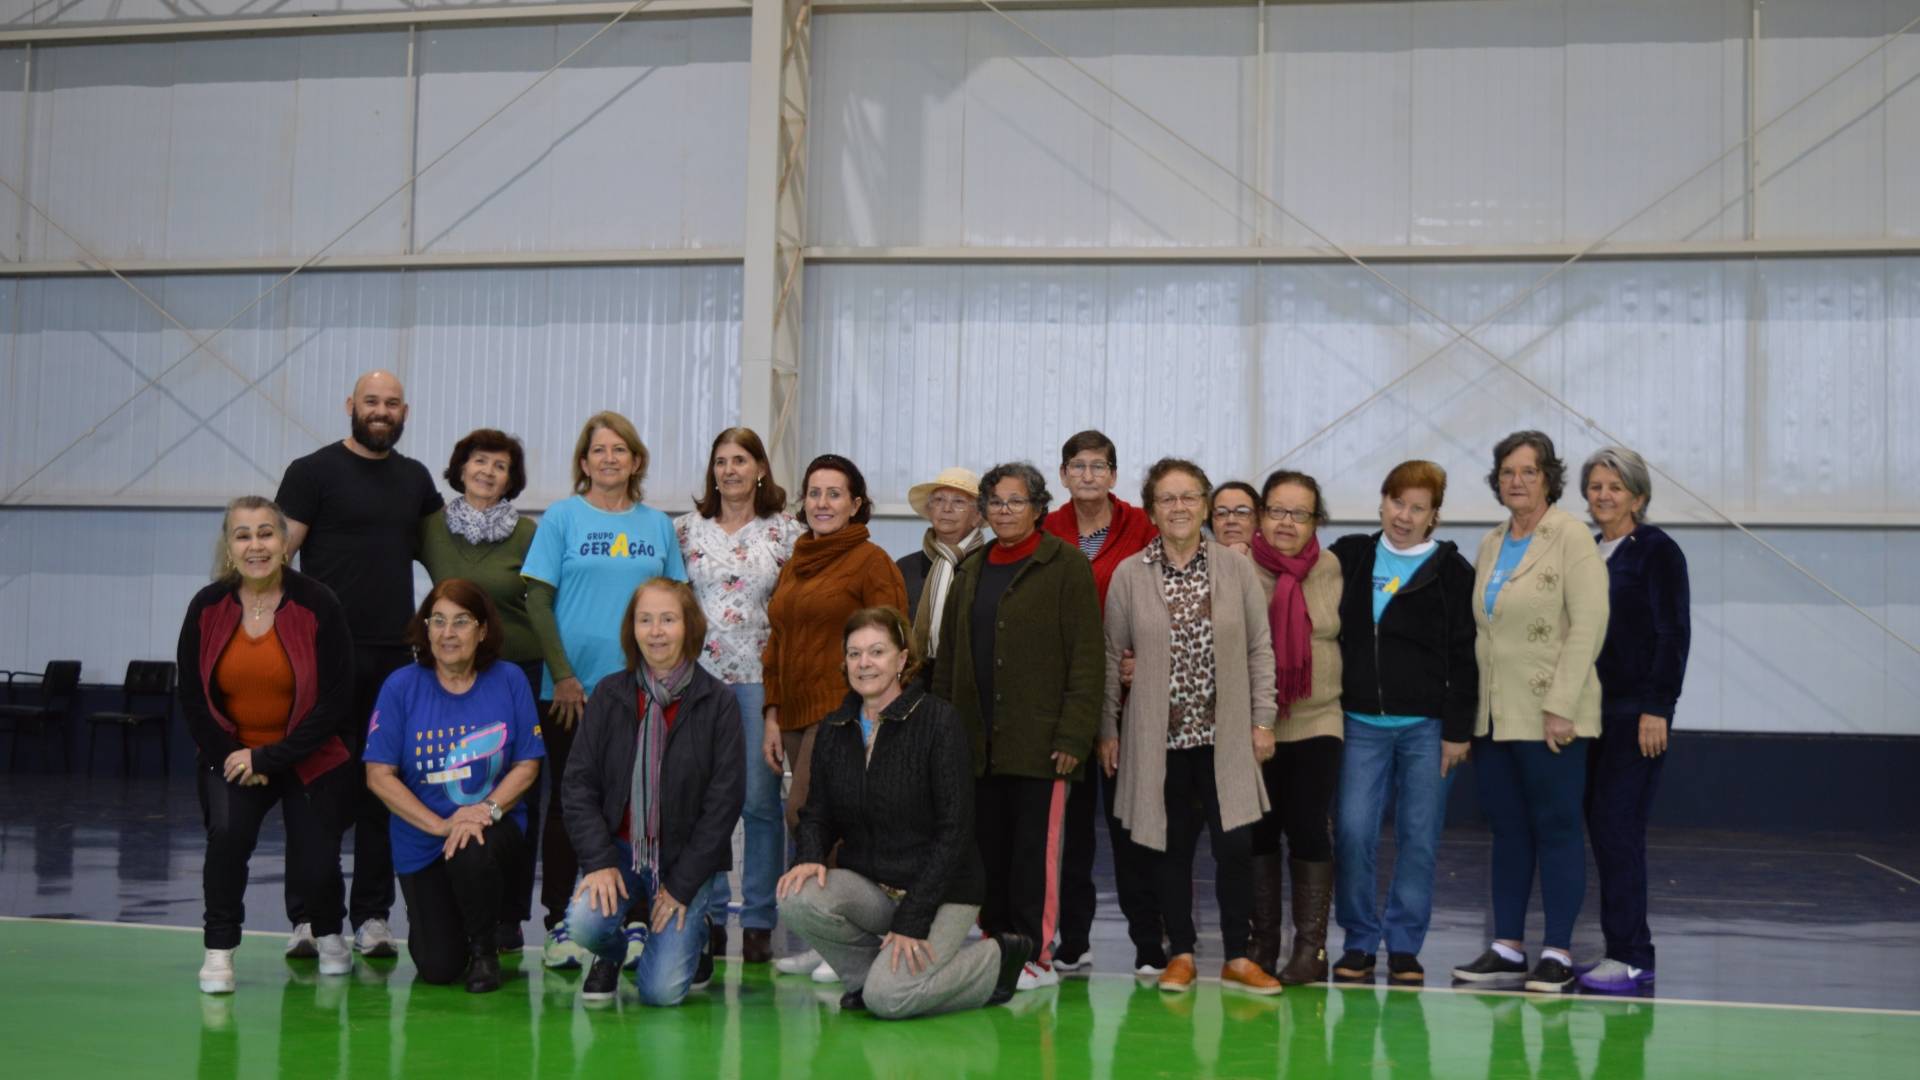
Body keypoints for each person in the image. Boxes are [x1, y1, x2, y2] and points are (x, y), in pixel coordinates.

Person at [777, 607, 1032, 1019]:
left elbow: (955, 832)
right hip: (875, 887)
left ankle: (996, 959)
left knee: (890, 1001)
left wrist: (913, 916)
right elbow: (818, 812)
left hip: (944, 890)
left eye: (877, 651)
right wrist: (808, 857)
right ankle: (868, 980)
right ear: (844, 663)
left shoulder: (938, 722)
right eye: (854, 654)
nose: (865, 663)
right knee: (795, 895)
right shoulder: (834, 728)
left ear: (901, 660)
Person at [275, 370, 443, 959]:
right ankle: (308, 918)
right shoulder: (311, 472)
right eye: (371, 401)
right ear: (350, 405)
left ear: (405, 411)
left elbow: (444, 558)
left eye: (392, 403)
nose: (381, 411)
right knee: (318, 789)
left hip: (395, 660)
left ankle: (372, 916)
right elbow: (276, 555)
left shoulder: (416, 480)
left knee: (382, 787)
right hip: (323, 660)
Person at [1098, 459, 1281, 996]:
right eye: (1166, 499)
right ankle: (1180, 952)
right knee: (1167, 849)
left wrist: (1262, 719)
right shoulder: (1130, 575)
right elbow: (1112, 657)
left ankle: (1238, 958)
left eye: (1188, 497)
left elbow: (1258, 648)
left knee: (1235, 848)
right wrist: (1107, 729)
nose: (1179, 507)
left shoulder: (1235, 568)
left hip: (1224, 738)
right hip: (1159, 741)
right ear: (1152, 510)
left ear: (1203, 505)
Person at [524, 411, 689, 969]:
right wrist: (563, 675)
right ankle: (558, 923)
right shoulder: (561, 519)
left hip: (646, 692)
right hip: (573, 691)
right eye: (599, 450)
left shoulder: (656, 526)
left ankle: (634, 916)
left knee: (642, 806)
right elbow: (537, 602)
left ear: (636, 461)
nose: (610, 459)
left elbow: (679, 606)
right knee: (571, 805)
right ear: (584, 461)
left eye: (620, 450)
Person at [934, 461, 1104, 991]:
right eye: (995, 503)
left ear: (1038, 507)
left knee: (1036, 858)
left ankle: (1037, 955)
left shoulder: (1067, 566)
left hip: (1043, 747)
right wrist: (943, 738)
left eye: (1015, 501)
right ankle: (998, 945)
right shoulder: (972, 568)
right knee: (989, 855)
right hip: (977, 746)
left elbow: (1086, 658)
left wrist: (1074, 734)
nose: (1004, 511)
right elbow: (951, 660)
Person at [1453, 431, 1609, 994]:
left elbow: (1589, 624)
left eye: (1528, 471)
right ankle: (1507, 948)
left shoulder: (1570, 537)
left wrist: (1561, 706)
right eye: (1507, 472)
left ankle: (1559, 952)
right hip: (1496, 717)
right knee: (1509, 832)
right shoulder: (1492, 541)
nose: (1516, 481)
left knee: (1558, 829)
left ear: (1549, 478)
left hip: (1551, 716)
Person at [180, 496, 354, 993]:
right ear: (229, 547)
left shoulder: (319, 602)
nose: (255, 544)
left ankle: (327, 932)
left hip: (310, 756)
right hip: (232, 757)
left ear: (284, 542)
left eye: (265, 533)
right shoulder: (207, 606)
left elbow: (337, 698)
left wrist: (270, 757)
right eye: (243, 535)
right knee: (228, 842)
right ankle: (219, 951)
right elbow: (192, 695)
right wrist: (234, 757)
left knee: (317, 859)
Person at [1326, 462, 1477, 986]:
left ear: (1434, 516)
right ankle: (1359, 940)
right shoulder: (1349, 555)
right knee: (1352, 831)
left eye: (1418, 508)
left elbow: (1466, 656)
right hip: (1359, 724)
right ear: (1382, 502)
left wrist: (1459, 730)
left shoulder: (1453, 573)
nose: (1404, 516)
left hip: (1428, 730)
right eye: (1397, 503)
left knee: (1419, 837)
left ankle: (1406, 945)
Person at [762, 454, 909, 980]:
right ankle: (822, 940)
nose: (822, 504)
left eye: (834, 494)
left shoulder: (871, 561)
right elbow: (777, 642)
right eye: (814, 494)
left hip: (844, 715)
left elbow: (893, 640)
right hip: (798, 716)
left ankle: (851, 942)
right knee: (808, 824)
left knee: (817, 818)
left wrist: (874, 715)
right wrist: (774, 712)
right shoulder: (796, 561)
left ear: (856, 504)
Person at [563, 579, 745, 1006]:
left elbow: (724, 805)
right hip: (620, 849)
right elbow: (577, 785)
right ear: (632, 629)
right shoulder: (610, 694)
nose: (656, 631)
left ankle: (696, 936)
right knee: (585, 924)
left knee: (661, 994)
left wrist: (682, 886)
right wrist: (598, 862)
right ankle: (609, 954)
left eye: (668, 619)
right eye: (645, 620)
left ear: (689, 627)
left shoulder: (718, 702)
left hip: (683, 858)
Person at [364, 581, 544, 992]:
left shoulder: (509, 679)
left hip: (491, 831)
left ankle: (485, 951)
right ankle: (451, 919)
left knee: (471, 846)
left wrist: (484, 812)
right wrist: (441, 825)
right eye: (438, 621)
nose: (449, 633)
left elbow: (528, 765)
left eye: (461, 622)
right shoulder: (401, 687)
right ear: (425, 630)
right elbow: (378, 776)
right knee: (438, 968)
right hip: (424, 841)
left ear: (482, 630)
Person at [674, 427, 803, 965]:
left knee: (758, 803)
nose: (730, 470)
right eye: (721, 461)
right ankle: (705, 915)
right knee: (702, 804)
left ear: (760, 469)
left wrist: (777, 705)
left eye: (740, 460)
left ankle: (756, 922)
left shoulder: (787, 534)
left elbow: (795, 617)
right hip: (696, 685)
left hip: (757, 683)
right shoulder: (684, 531)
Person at [1041, 430, 1162, 976]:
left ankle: (1148, 943)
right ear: (1063, 475)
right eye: (1077, 466)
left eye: (1099, 466)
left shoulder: (1144, 529)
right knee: (1071, 835)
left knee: (1132, 826)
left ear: (1114, 475)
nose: (1088, 475)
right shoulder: (1047, 530)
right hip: (1064, 703)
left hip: (1131, 704)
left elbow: (1166, 601)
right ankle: (1074, 941)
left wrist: (1146, 657)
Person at [417, 428, 542, 950]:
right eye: (479, 461)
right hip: (451, 677)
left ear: (512, 479)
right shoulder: (428, 529)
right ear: (460, 467)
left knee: (517, 789)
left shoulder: (528, 533)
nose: (488, 472)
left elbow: (541, 602)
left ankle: (510, 914)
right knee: (453, 783)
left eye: (500, 466)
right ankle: (455, 896)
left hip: (515, 673)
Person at [1578, 446, 1689, 994]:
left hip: (1633, 714)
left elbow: (1673, 634)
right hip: (1582, 715)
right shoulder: (1584, 548)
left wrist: (1657, 707)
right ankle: (1614, 948)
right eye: (1596, 486)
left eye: (1615, 487)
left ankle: (1631, 954)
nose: (1604, 495)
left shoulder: (1658, 552)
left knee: (1617, 829)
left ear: (1638, 497)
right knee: (1597, 829)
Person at [1241, 470, 1343, 985]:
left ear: (1315, 521)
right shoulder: (1236, 567)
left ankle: (1310, 950)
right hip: (1254, 724)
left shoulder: (1331, 567)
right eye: (1277, 510)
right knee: (1259, 830)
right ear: (1260, 515)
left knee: (1307, 825)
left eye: (1299, 513)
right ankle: (1262, 942)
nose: (1286, 522)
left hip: (1319, 718)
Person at [896, 467, 986, 668]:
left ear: (978, 515)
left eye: (959, 502)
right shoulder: (904, 567)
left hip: (971, 678)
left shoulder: (989, 566)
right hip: (913, 677)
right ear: (929, 511)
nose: (947, 509)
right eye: (939, 500)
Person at [1209, 481, 1260, 556]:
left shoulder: (1273, 562)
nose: (1231, 520)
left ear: (1258, 520)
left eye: (1242, 512)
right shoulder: (1198, 561)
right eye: (1221, 513)